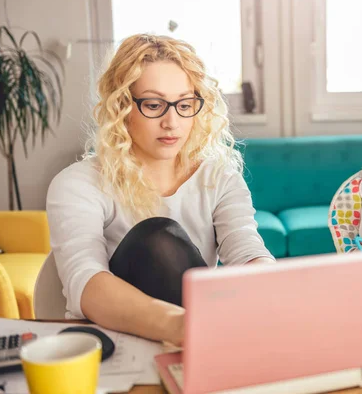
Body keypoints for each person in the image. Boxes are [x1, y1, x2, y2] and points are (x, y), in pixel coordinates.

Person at [46, 34, 274, 345]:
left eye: (184, 104)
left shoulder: (219, 175)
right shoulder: (77, 184)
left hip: (200, 337)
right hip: (121, 340)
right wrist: (186, 327)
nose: (172, 121)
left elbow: (246, 251)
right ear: (122, 107)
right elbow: (86, 280)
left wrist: (274, 289)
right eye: (154, 105)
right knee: (157, 236)